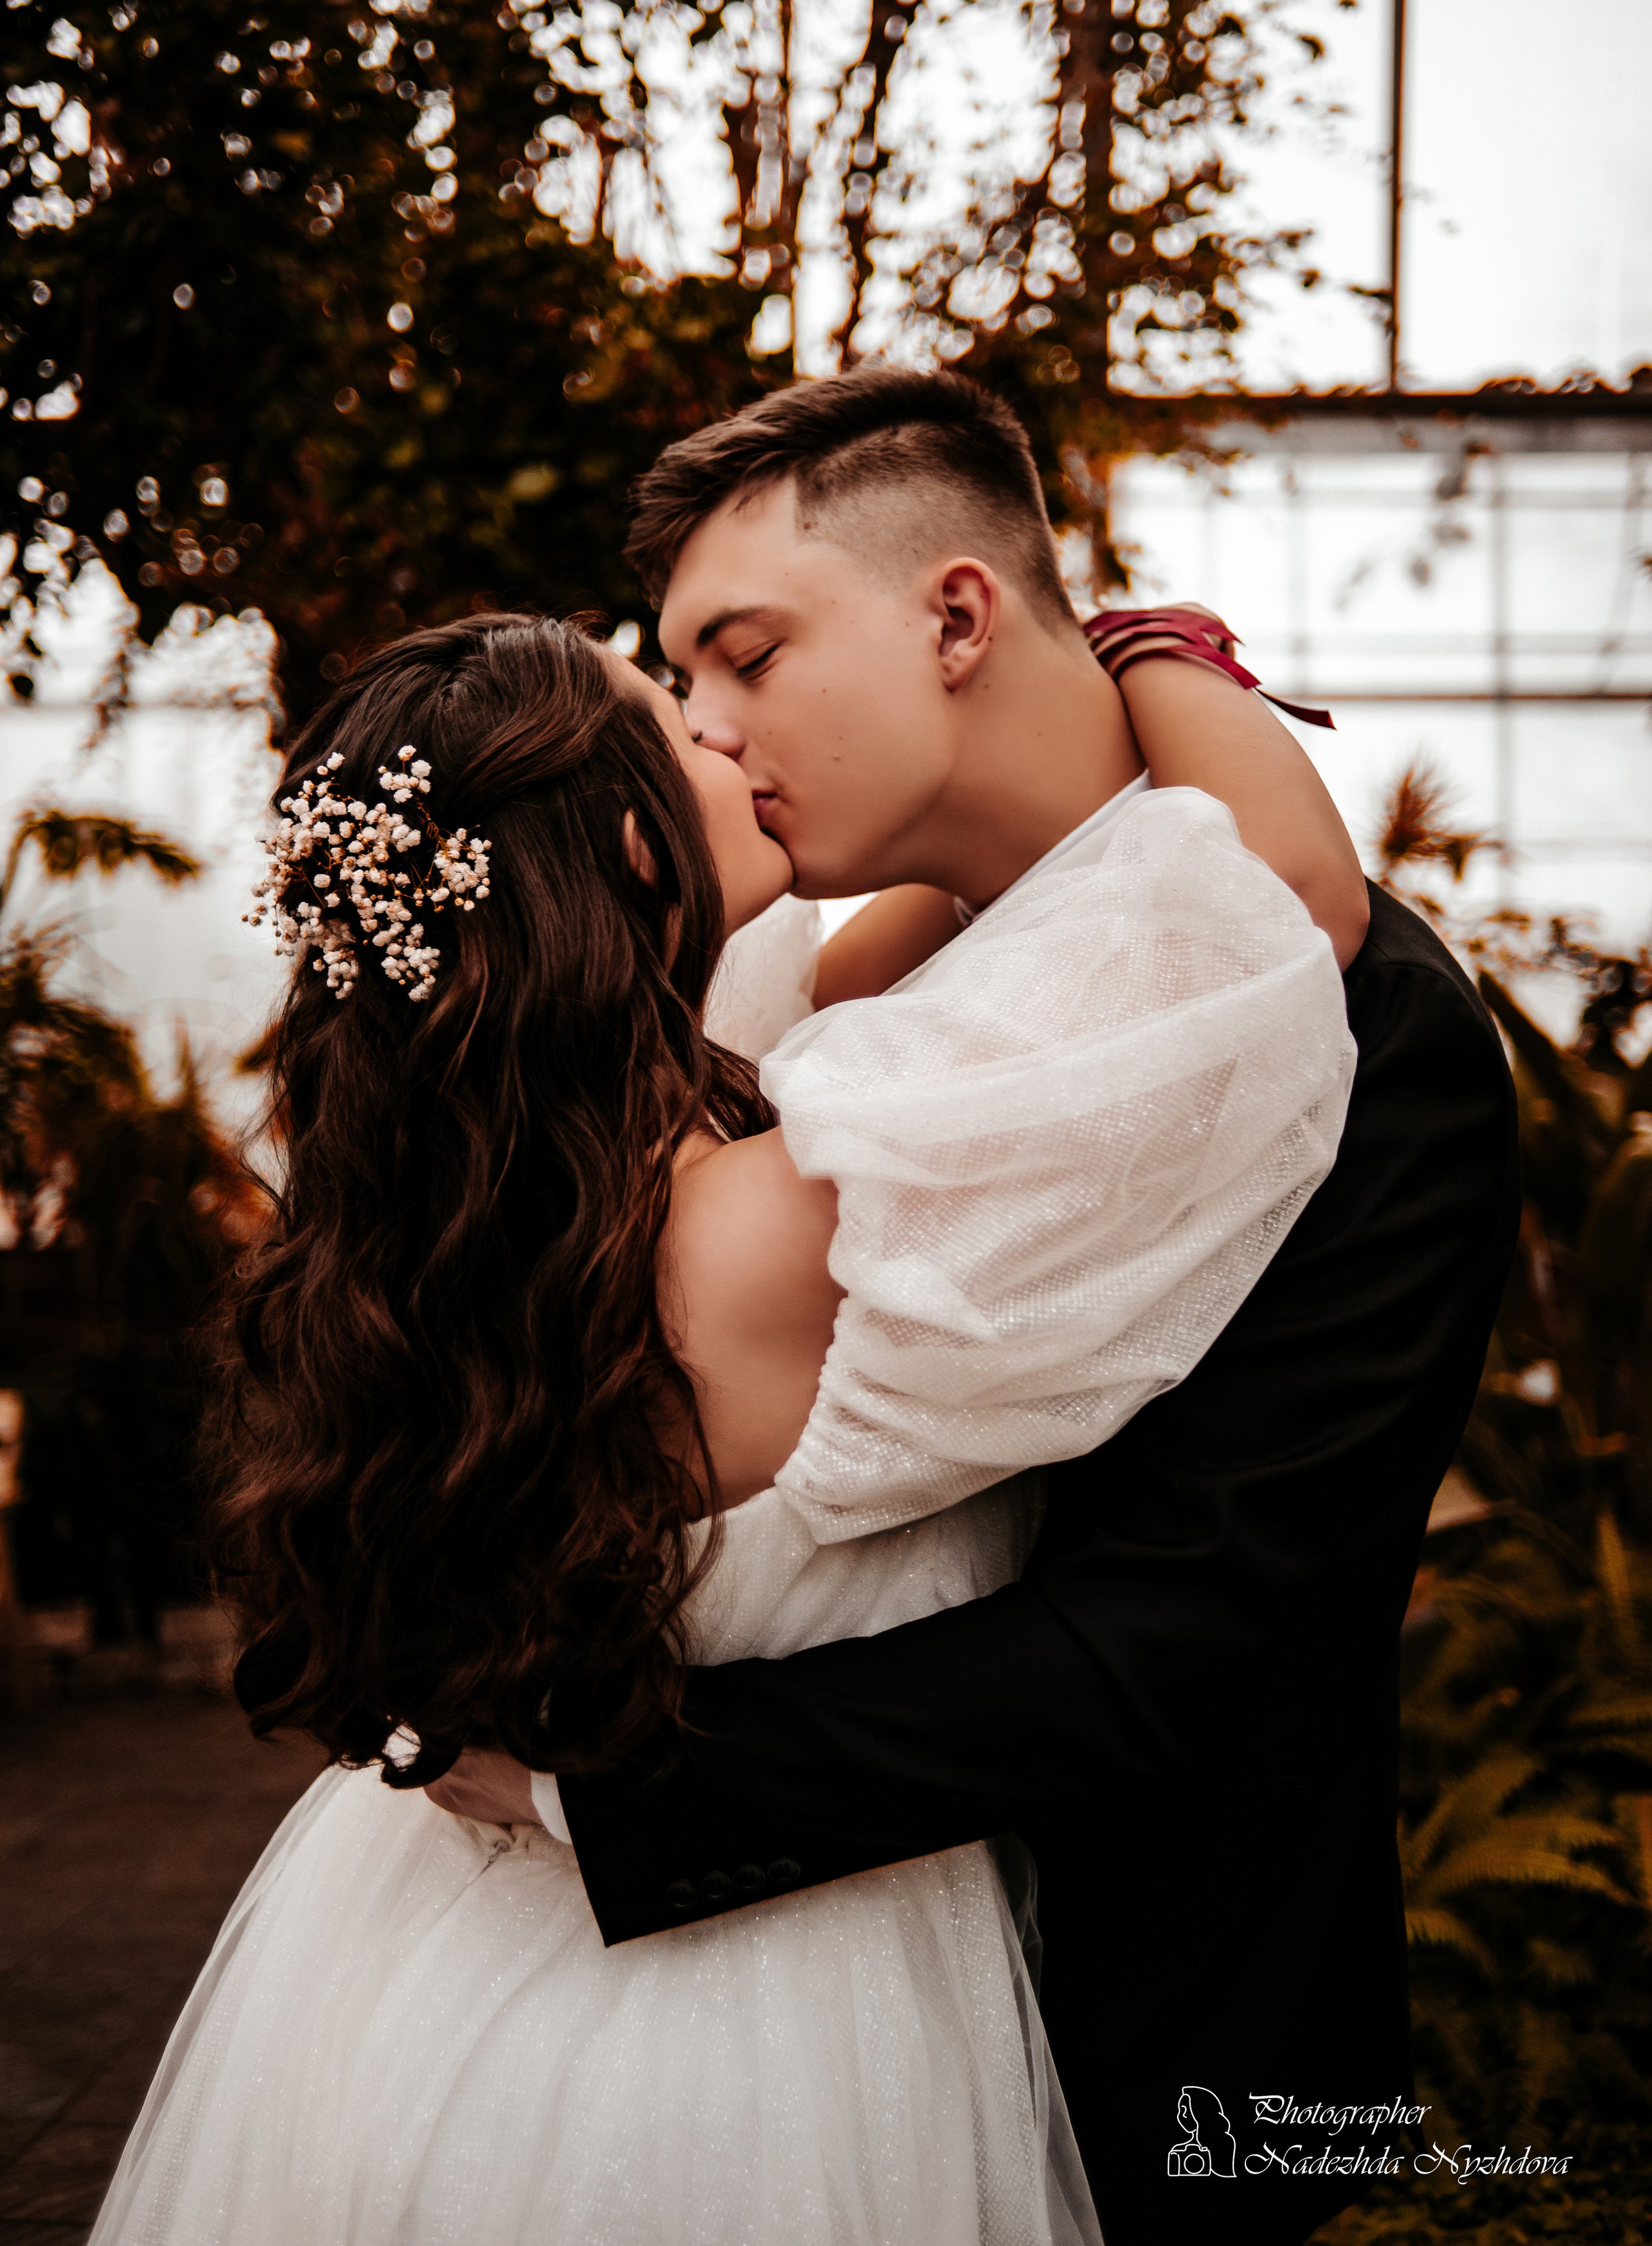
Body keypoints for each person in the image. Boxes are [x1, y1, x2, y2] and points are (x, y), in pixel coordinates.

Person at [90, 542, 1363, 2245]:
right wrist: (1147, 649)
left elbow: (911, 943)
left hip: (423, 1968)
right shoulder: (791, 1218)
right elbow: (1280, 905)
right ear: (627, 843)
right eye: (675, 721)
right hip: (757, 2027)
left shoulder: (471, 1221)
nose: (730, 726)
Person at [435, 370, 1520, 2246]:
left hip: (1162, 2060)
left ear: (954, 614)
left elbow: (1182, 1634)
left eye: (745, 655)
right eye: (681, 682)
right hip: (737, 2061)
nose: (704, 726)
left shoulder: (1368, 1030)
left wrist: (586, 1793)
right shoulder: (828, 995)